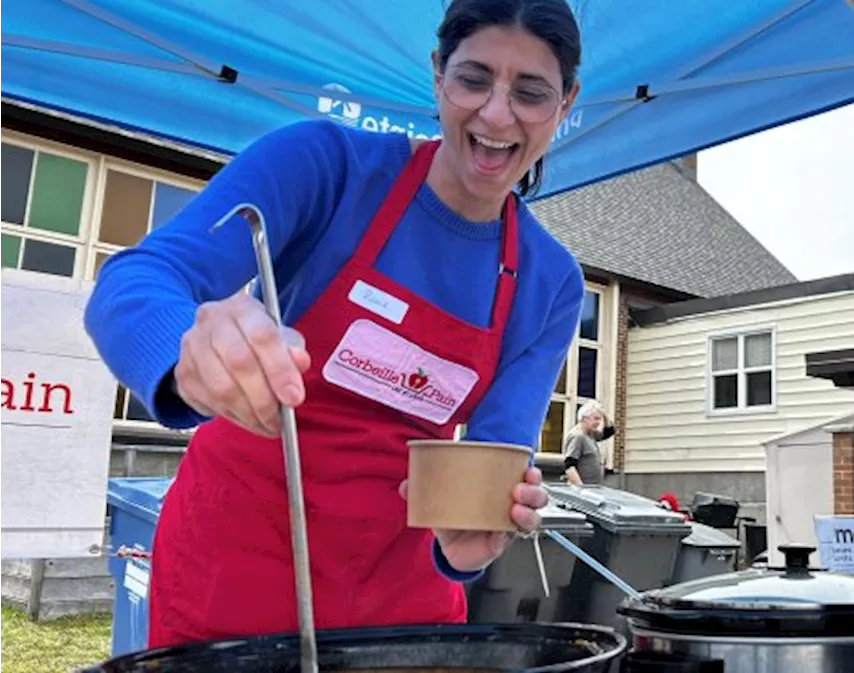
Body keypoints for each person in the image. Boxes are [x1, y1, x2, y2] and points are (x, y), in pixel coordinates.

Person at [83, 0, 584, 647]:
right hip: (232, 573)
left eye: (530, 92)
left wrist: (468, 548)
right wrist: (184, 347)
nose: (495, 113)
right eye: (473, 78)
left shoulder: (550, 282)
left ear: (565, 103)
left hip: (402, 609)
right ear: (437, 74)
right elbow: (134, 282)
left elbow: (487, 479)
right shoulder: (326, 167)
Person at [562, 401, 613, 485]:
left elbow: (610, 431)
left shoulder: (591, 435)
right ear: (584, 418)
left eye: (600, 419)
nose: (598, 422)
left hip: (594, 488)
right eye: (596, 418)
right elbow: (569, 466)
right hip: (582, 491)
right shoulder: (577, 436)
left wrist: (604, 415)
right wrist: (581, 488)